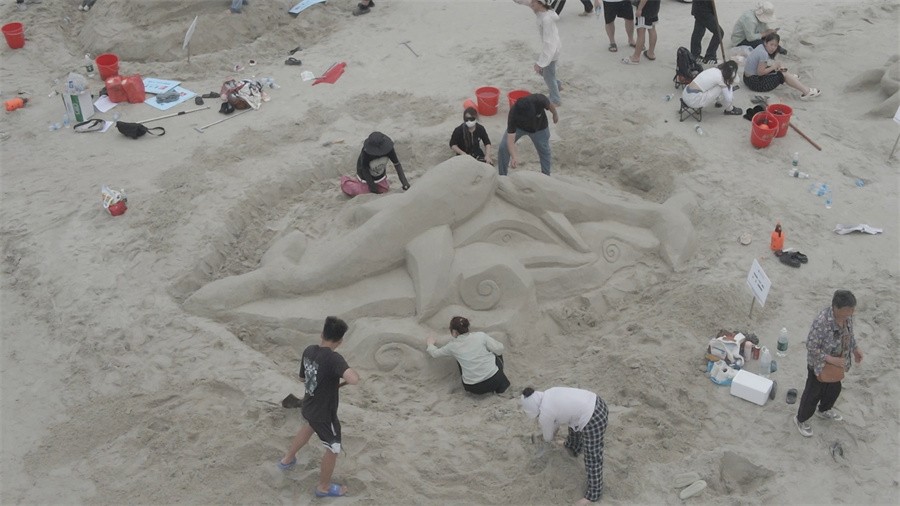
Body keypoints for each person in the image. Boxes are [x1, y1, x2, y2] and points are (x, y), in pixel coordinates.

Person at [278, 317, 360, 498]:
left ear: (322, 334)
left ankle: (287, 460)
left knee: (309, 426)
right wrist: (354, 374)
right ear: (340, 341)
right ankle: (323, 487)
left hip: (309, 405)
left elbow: (302, 378)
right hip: (324, 414)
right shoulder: (334, 359)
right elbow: (353, 380)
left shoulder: (309, 350)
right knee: (333, 448)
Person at [521, 386, 609, 505]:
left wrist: (549, 434)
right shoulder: (549, 393)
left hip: (594, 417)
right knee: (573, 425)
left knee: (592, 456)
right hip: (597, 402)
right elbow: (558, 418)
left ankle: (594, 494)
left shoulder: (545, 413)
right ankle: (573, 446)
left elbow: (548, 437)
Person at [793, 290, 864, 437]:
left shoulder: (847, 318)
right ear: (836, 308)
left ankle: (823, 410)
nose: (851, 313)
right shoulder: (822, 321)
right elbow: (811, 346)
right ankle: (801, 419)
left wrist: (855, 349)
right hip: (819, 365)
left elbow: (849, 335)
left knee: (834, 389)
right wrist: (831, 359)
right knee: (812, 394)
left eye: (852, 309)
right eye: (848, 310)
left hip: (837, 365)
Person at [426, 316, 511, 394]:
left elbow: (435, 353)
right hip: (494, 380)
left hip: (473, 387)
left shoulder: (452, 346)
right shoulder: (480, 336)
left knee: (459, 359)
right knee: (496, 352)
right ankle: (502, 387)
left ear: (454, 332)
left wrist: (430, 344)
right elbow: (500, 349)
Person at [513, 0, 562, 107]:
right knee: (547, 73)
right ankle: (557, 84)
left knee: (547, 76)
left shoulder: (547, 20)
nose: (531, 4)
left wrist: (540, 63)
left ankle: (555, 99)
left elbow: (549, 44)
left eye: (533, 3)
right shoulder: (541, 9)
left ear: (540, 4)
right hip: (552, 48)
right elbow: (526, 2)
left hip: (552, 51)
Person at [497, 92, 559, 176]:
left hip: (539, 127)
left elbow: (549, 105)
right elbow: (510, 140)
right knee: (503, 147)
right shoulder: (513, 113)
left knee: (544, 150)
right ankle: (502, 175)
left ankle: (546, 175)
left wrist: (555, 114)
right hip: (519, 128)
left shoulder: (539, 99)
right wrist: (514, 157)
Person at [743, 33, 820, 99]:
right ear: (766, 43)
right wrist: (773, 67)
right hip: (754, 83)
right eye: (771, 44)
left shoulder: (761, 46)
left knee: (779, 67)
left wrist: (775, 66)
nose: (773, 48)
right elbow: (760, 73)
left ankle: (790, 78)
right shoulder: (763, 54)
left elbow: (761, 67)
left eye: (775, 45)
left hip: (747, 78)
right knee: (782, 74)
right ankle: (806, 91)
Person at [340, 131, 410, 196]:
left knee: (384, 190)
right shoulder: (366, 152)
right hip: (365, 177)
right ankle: (346, 182)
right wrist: (373, 189)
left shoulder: (389, 149)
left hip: (379, 175)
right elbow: (364, 169)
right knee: (364, 192)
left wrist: (405, 183)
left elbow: (397, 164)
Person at [621, 0, 659, 64]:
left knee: (641, 32)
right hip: (655, 7)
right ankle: (651, 53)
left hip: (645, 8)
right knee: (652, 29)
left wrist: (639, 9)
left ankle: (636, 57)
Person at [690, 0, 724, 65]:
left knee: (699, 31)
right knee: (719, 32)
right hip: (703, 10)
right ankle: (710, 56)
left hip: (702, 8)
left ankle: (695, 55)